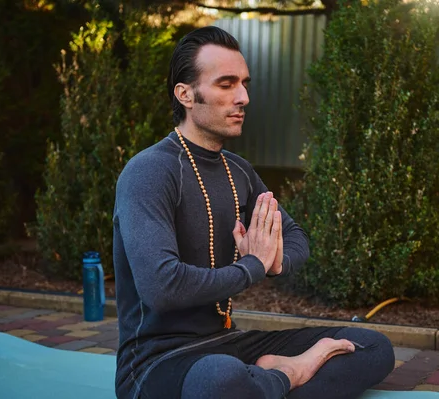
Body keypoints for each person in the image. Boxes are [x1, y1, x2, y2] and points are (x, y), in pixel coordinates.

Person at [112, 26, 395, 399]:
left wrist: (274, 261)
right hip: (155, 364)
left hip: (227, 342)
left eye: (244, 83)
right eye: (226, 84)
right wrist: (252, 268)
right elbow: (162, 288)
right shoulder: (149, 171)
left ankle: (259, 387)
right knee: (221, 379)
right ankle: (287, 377)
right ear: (185, 94)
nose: (243, 96)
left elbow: (296, 237)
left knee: (370, 347)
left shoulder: (238, 170)